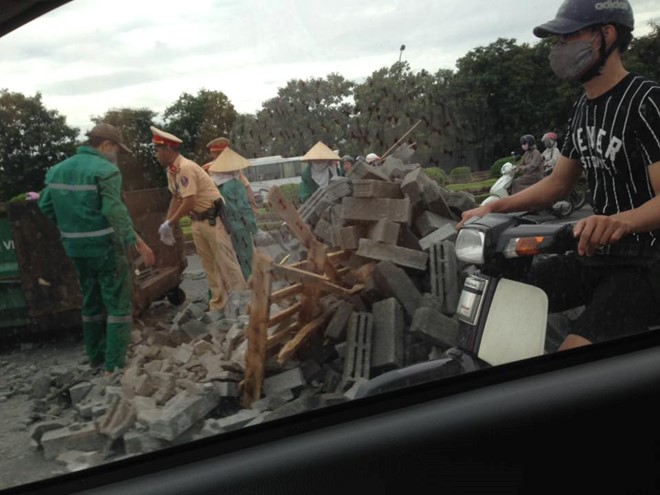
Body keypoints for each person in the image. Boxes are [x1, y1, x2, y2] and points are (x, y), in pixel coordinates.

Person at [458, 0, 660, 351]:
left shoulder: (646, 102)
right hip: (594, 253)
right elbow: (557, 184)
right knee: (506, 295)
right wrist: (494, 207)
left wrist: (619, 222)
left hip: (644, 263)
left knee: (573, 358)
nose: (560, 49)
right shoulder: (583, 108)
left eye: (569, 37)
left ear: (606, 34)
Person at [38, 123, 156, 376]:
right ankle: (113, 366)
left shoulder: (58, 170)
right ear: (106, 145)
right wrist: (134, 242)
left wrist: (73, 227)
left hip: (75, 249)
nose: (117, 157)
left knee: (91, 302)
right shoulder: (106, 169)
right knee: (118, 306)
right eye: (116, 151)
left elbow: (46, 204)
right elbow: (114, 210)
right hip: (105, 247)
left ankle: (96, 357)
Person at [151, 126, 247, 312]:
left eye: (158, 149)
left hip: (212, 219)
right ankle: (219, 306)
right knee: (209, 266)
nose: (156, 154)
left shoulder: (185, 168)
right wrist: (167, 223)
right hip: (197, 221)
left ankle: (243, 303)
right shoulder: (173, 171)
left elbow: (189, 201)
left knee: (226, 263)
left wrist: (170, 223)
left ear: (167, 150)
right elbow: (176, 197)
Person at [208, 147, 258, 280]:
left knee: (229, 261)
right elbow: (244, 209)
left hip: (223, 227)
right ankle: (250, 285)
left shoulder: (215, 184)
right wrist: (254, 228)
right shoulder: (236, 184)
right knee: (246, 257)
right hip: (240, 227)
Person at [202, 136, 258, 214]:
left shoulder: (235, 169)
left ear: (212, 153)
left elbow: (247, 187)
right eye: (219, 153)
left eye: (221, 153)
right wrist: (253, 205)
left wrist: (253, 204)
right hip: (222, 209)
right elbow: (247, 187)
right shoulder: (207, 169)